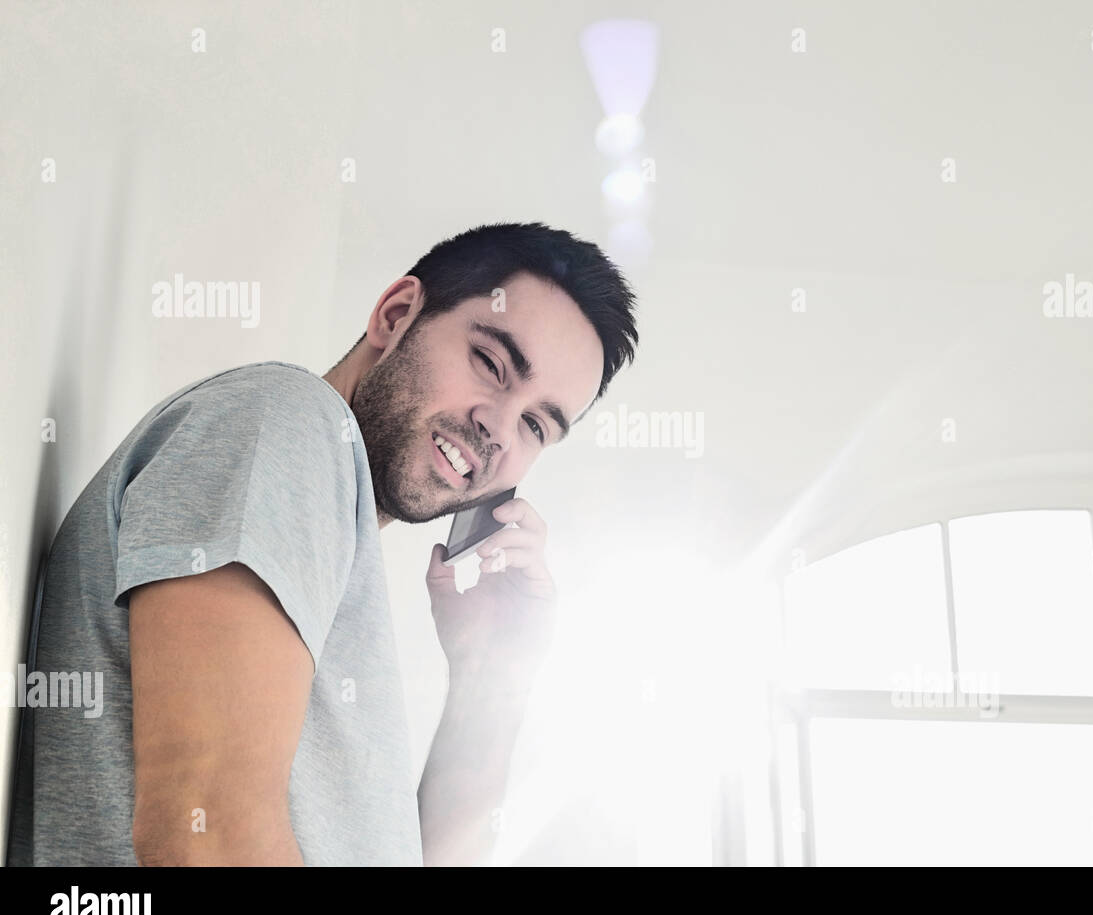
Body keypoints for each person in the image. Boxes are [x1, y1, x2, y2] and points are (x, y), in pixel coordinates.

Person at [6, 221, 639, 866]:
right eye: (490, 364)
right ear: (396, 316)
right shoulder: (286, 424)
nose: (497, 428)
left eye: (536, 423)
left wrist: (488, 676)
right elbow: (206, 837)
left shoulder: (330, 538)